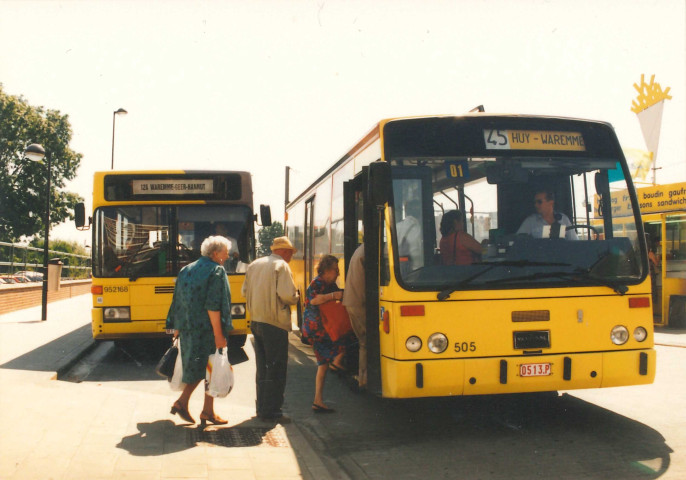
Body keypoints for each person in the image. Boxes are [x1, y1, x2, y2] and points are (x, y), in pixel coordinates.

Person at [165, 235, 232, 427]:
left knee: (202, 368)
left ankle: (206, 410)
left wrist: (176, 328)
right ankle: (185, 403)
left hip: (188, 329)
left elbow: (177, 300)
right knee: (208, 368)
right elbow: (213, 306)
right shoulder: (216, 271)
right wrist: (219, 335)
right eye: (225, 252)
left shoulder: (186, 270)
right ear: (215, 253)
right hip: (208, 330)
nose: (227, 256)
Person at [242, 236, 299, 423]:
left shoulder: (254, 265)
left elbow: (244, 292)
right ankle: (272, 411)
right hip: (274, 322)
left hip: (256, 321)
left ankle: (261, 408)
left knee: (263, 368)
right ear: (283, 251)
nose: (290, 256)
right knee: (276, 368)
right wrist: (296, 295)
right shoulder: (281, 266)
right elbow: (288, 296)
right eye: (290, 252)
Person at [301, 255, 347, 413]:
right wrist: (333, 296)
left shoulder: (330, 283)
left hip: (321, 326)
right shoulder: (317, 283)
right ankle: (337, 361)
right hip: (316, 329)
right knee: (344, 339)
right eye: (336, 269)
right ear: (327, 270)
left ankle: (318, 400)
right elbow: (314, 300)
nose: (338, 272)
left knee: (323, 364)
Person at [342, 243, 367, 390]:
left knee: (364, 341)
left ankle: (363, 377)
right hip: (359, 303)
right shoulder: (367, 252)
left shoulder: (360, 250)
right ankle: (364, 378)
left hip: (352, 301)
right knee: (366, 341)